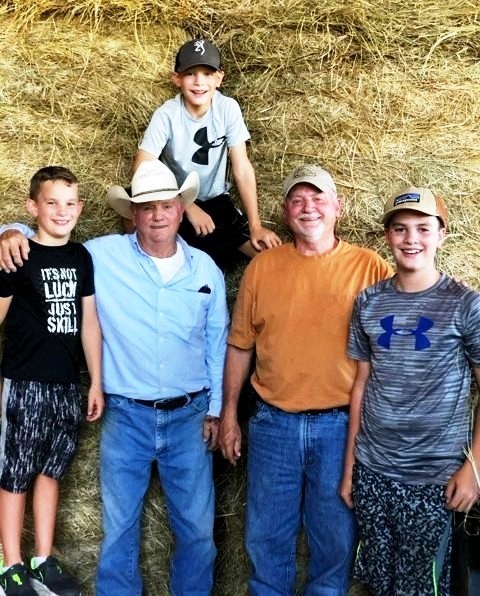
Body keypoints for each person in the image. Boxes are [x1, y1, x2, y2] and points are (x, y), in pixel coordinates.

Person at [0, 160, 229, 596]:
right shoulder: (99, 255)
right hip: (126, 414)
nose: (158, 215)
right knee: (119, 529)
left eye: (166, 205)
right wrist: (8, 232)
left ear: (181, 209)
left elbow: (218, 346)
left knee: (198, 530)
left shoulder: (206, 270)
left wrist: (218, 409)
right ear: (133, 214)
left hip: (190, 416)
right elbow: (47, 242)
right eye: (147, 207)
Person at [218, 164, 393, 595]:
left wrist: (446, 291)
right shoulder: (263, 268)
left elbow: (407, 313)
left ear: (338, 207)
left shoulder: (369, 267)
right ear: (285, 211)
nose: (307, 207)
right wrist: (228, 415)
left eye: (317, 198)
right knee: (267, 538)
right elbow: (240, 346)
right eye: (297, 200)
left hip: (341, 427)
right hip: (273, 424)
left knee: (334, 541)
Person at [340, 187, 480, 595]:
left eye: (423, 228)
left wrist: (474, 468)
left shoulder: (465, 304)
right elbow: (361, 385)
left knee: (422, 586)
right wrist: (350, 467)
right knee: (378, 582)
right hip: (374, 471)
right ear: (388, 236)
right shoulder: (369, 302)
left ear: (441, 235)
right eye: (400, 229)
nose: (411, 238)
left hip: (433, 478)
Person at [0, 166, 104, 596]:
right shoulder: (18, 254)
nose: (62, 211)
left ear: (80, 208)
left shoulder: (80, 257)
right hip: (25, 381)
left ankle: (42, 559)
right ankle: (11, 566)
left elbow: (89, 322)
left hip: (65, 384)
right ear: (32, 207)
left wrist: (95, 381)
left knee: (50, 469)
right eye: (52, 202)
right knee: (15, 471)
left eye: (70, 203)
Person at [132, 38, 282, 269]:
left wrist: (255, 226)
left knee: (266, 255)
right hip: (174, 199)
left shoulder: (227, 108)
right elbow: (142, 166)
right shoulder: (167, 114)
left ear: (219, 78)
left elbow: (242, 168)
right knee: (131, 199)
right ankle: (142, 261)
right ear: (177, 78)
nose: (199, 82)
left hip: (215, 201)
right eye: (190, 74)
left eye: (207, 74)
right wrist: (186, 204)